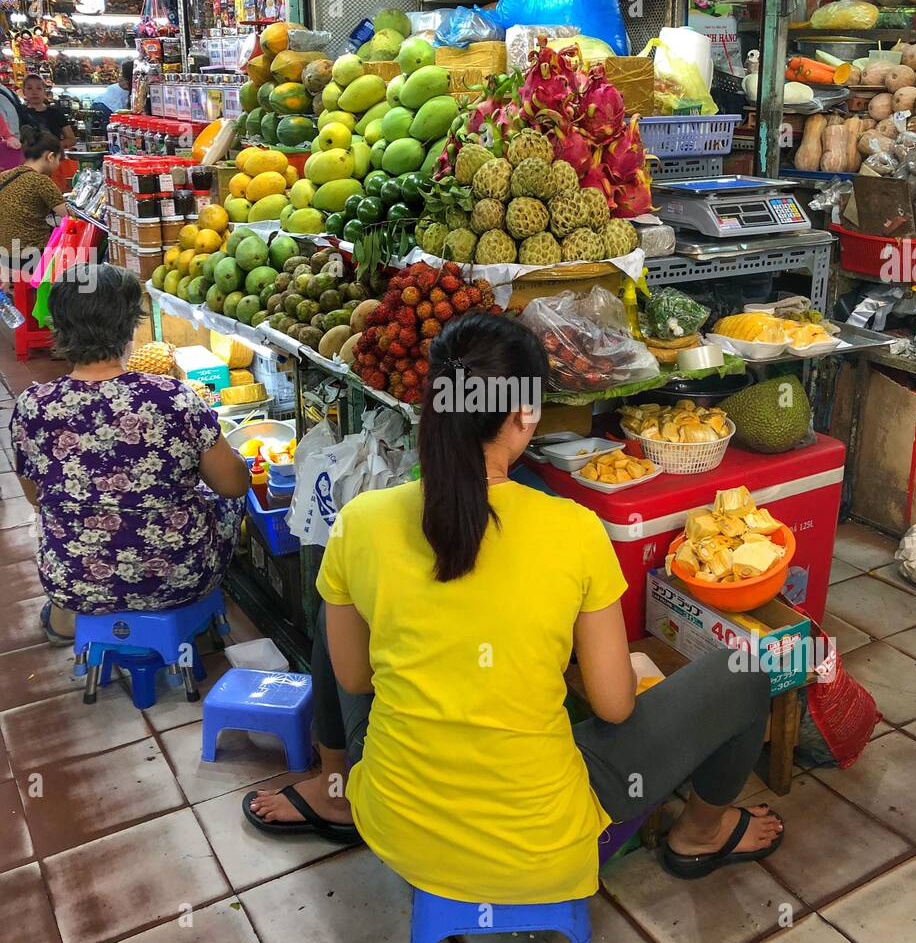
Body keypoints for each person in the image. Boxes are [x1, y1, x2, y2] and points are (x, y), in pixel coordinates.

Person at [246, 313, 784, 893]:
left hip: (398, 826)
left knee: (337, 601)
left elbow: (355, 677)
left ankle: (338, 794)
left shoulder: (362, 523)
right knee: (748, 669)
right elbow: (614, 708)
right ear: (523, 415)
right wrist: (622, 669)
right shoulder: (574, 529)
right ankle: (699, 834)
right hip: (542, 845)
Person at [11, 265, 250, 644]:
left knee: (57, 519)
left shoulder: (33, 406)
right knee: (226, 502)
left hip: (75, 581)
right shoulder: (173, 397)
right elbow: (234, 486)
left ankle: (66, 618)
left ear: (59, 327)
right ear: (129, 325)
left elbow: (37, 498)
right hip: (178, 575)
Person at [0, 126, 67, 276]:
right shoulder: (40, 181)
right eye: (58, 159)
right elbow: (67, 214)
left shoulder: (5, 175)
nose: (58, 165)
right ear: (50, 157)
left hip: (4, 253)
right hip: (32, 254)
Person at [20, 75, 77, 194]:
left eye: (39, 88)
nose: (34, 92)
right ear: (23, 91)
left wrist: (53, 146)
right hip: (29, 165)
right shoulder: (20, 113)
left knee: (55, 195)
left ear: (44, 91)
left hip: (54, 163)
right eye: (30, 88)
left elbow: (71, 139)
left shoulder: (55, 113)